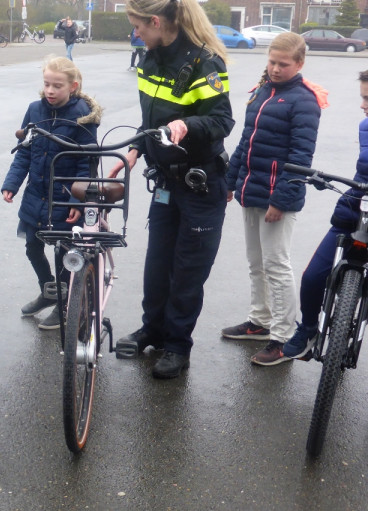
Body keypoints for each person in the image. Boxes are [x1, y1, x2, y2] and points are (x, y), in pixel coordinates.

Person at [110, 0, 234, 379]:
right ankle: (153, 329)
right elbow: (152, 118)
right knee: (157, 263)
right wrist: (135, 149)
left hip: (200, 183)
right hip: (165, 181)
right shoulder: (150, 57)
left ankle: (178, 344)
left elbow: (221, 120)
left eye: (138, 27)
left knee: (187, 270)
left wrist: (187, 126)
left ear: (156, 21)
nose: (135, 34)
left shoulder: (204, 62)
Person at [221, 33, 328, 366]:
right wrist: (229, 182)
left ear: (299, 64)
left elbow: (300, 157)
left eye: (283, 64)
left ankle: (282, 338)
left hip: (277, 198)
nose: (276, 69)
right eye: (271, 62)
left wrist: (281, 200)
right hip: (250, 191)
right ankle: (260, 321)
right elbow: (244, 144)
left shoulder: (304, 101)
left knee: (277, 267)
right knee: (256, 264)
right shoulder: (262, 91)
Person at [1, 56, 101, 329]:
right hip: (36, 195)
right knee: (33, 247)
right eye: (47, 84)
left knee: (63, 254)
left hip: (64, 197)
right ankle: (49, 291)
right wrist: (12, 183)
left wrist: (76, 200)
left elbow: (86, 164)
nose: (50, 90)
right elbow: (24, 151)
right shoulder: (34, 110)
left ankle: (65, 303)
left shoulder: (83, 117)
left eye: (57, 85)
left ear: (73, 86)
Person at [281, 71, 368, 361]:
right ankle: (307, 330)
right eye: (362, 97)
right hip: (357, 210)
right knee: (313, 276)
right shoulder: (365, 126)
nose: (362, 105)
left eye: (367, 98)